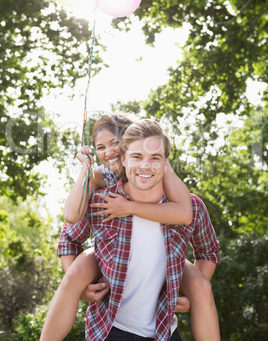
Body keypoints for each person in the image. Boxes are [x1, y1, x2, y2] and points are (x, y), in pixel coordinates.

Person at [48, 119, 220, 340]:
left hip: (164, 331)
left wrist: (186, 293)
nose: (145, 165)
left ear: (166, 162)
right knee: (80, 266)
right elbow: (69, 233)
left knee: (201, 286)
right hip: (113, 328)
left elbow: (207, 250)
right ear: (125, 158)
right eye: (137, 156)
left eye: (154, 158)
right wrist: (81, 288)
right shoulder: (103, 201)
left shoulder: (189, 205)